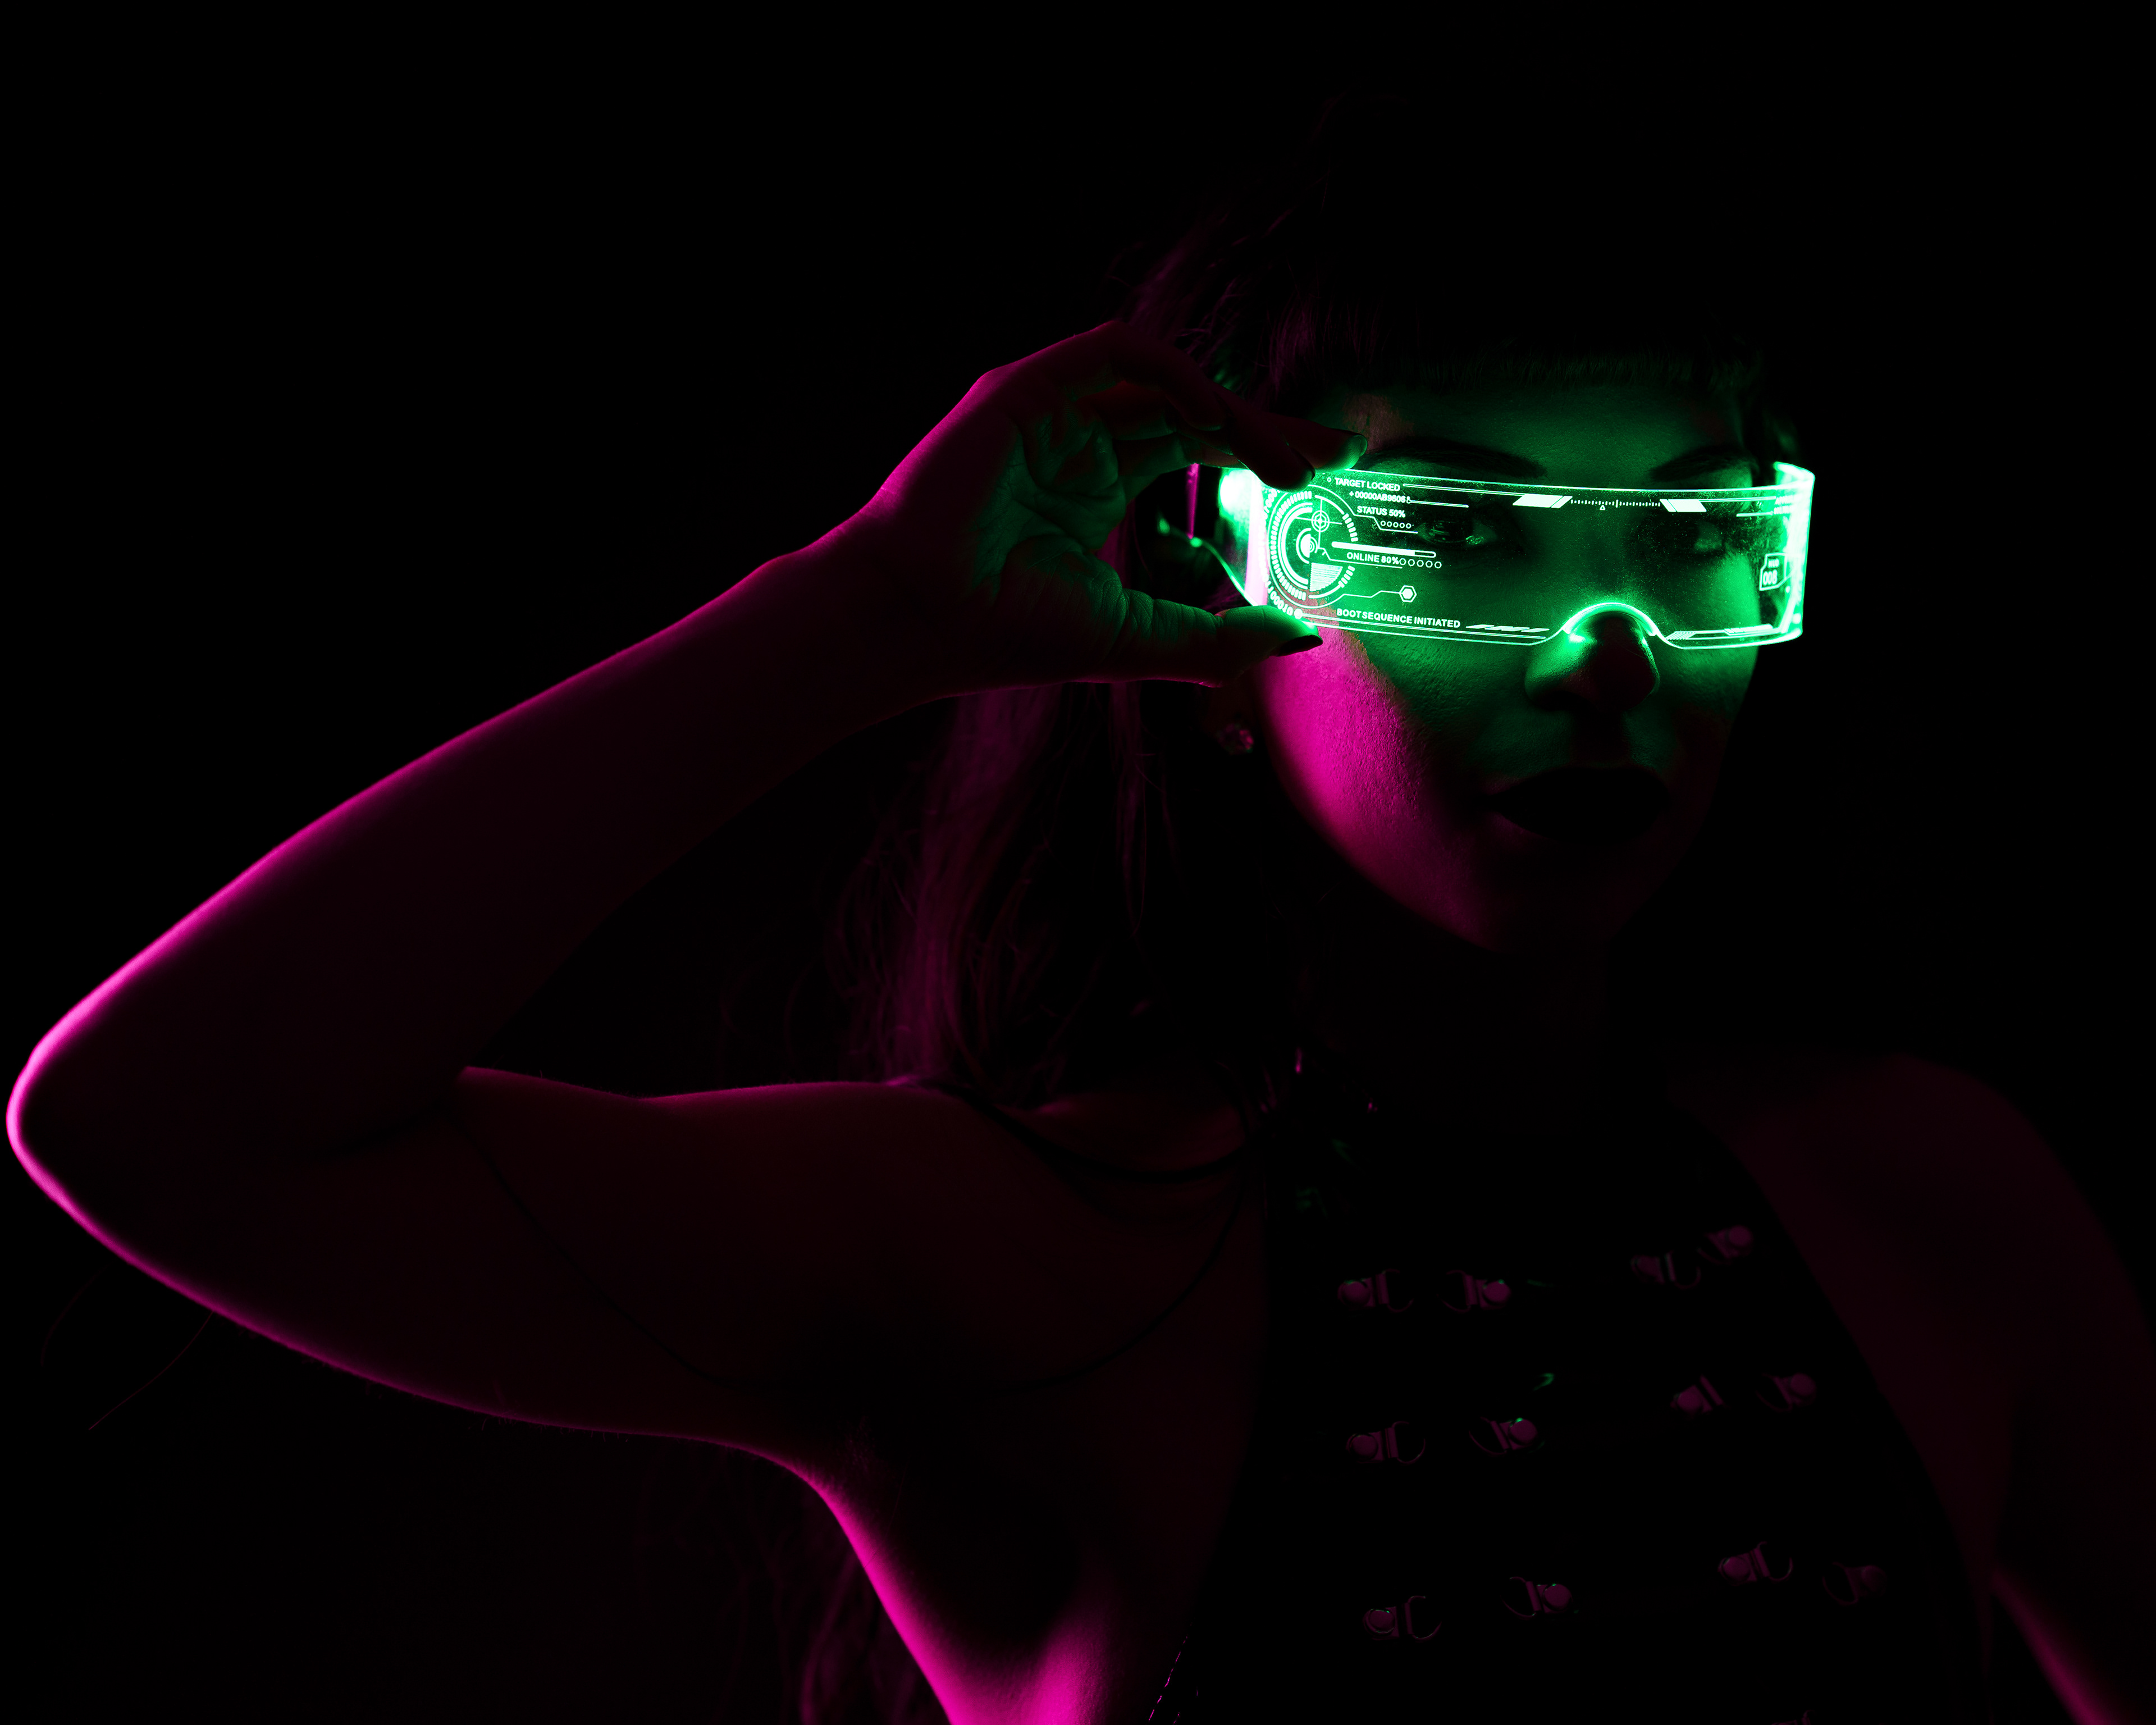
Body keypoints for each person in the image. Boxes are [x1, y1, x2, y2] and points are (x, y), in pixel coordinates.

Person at [12, 107, 2152, 1723]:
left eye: (1688, 539)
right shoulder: (1024, 1266)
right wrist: (869, 614)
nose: (1604, 651)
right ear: (1217, 612)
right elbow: (163, 1125)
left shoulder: (1924, 1193)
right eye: (1455, 538)